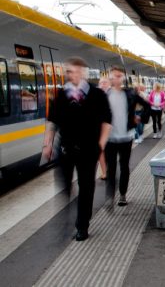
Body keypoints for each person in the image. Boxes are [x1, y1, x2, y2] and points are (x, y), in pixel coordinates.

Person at [44, 57, 112, 241]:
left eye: (73, 71)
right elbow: (52, 121)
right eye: (68, 71)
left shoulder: (97, 95)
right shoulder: (61, 95)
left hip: (89, 150)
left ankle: (82, 225)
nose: (70, 75)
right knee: (64, 185)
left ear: (83, 72)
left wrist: (101, 145)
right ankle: (66, 216)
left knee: (86, 187)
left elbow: (107, 121)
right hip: (65, 149)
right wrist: (48, 143)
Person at [105, 65, 151, 207]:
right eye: (114, 75)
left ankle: (123, 194)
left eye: (119, 76)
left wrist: (140, 118)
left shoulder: (130, 93)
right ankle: (110, 195)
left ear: (123, 78)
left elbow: (146, 105)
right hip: (110, 138)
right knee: (110, 168)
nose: (117, 78)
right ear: (110, 77)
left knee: (124, 166)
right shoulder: (104, 95)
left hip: (126, 137)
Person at [97, 77, 111, 179]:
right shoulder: (95, 97)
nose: (103, 85)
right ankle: (104, 171)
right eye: (101, 83)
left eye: (105, 83)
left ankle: (111, 168)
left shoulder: (113, 95)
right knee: (101, 150)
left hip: (112, 128)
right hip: (100, 127)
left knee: (110, 150)